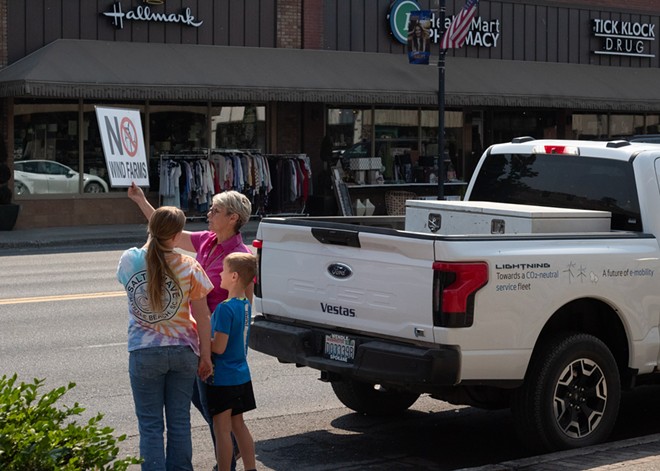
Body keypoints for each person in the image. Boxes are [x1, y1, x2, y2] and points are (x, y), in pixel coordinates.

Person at [128, 183, 253, 469]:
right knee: (206, 407)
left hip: (218, 344)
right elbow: (167, 231)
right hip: (197, 340)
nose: (209, 213)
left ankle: (228, 462)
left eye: (216, 210)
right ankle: (229, 452)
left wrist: (233, 352)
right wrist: (141, 202)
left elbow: (245, 308)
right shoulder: (208, 241)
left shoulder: (240, 256)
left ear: (233, 218)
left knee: (216, 411)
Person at [116, 206, 214, 471]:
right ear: (177, 235)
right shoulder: (190, 266)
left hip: (144, 352)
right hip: (184, 352)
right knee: (180, 422)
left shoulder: (129, 260)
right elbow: (203, 317)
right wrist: (205, 356)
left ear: (151, 229)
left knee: (150, 426)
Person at [207, 252, 258, 471]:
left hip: (223, 377)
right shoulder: (245, 304)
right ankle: (251, 468)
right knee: (239, 425)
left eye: (224, 270)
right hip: (241, 374)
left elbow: (219, 346)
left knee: (222, 429)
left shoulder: (224, 308)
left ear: (235, 276)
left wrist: (198, 339)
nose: (220, 273)